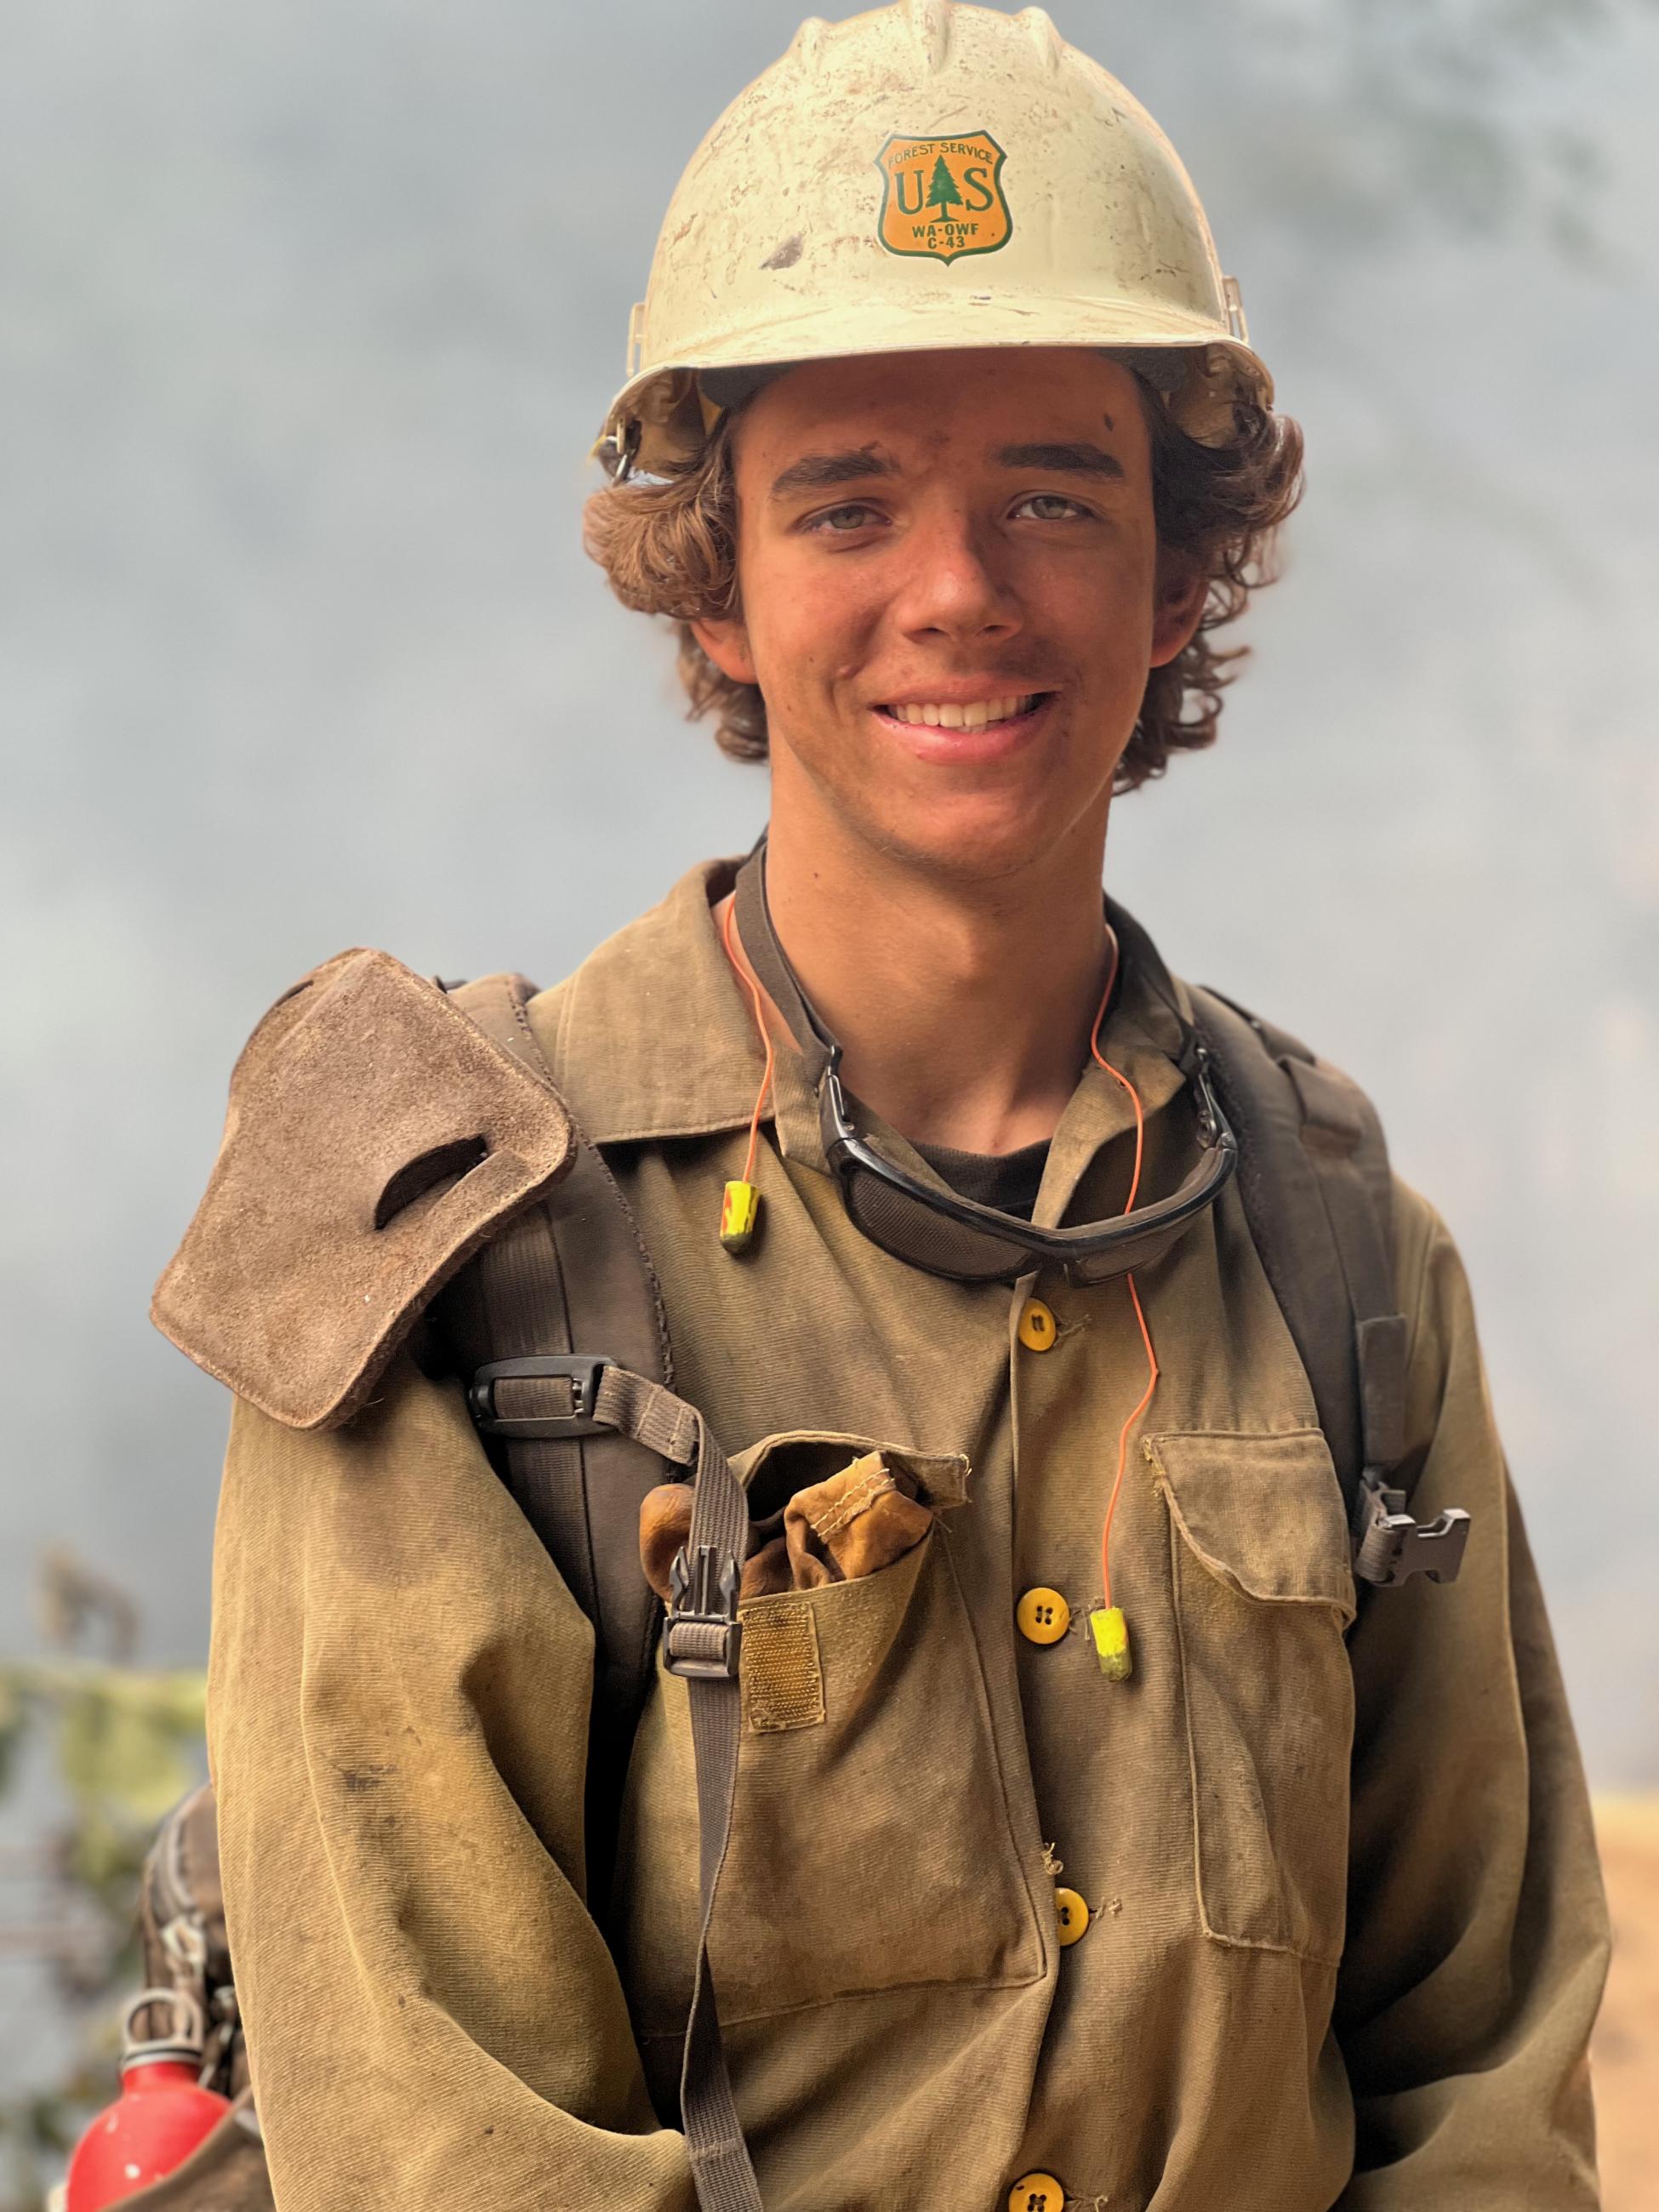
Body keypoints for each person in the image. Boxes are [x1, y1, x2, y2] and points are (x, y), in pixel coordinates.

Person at [165, 5, 1610, 2208]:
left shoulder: (1337, 1248)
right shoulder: (461, 1238)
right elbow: (445, 2147)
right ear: (718, 581)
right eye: (849, 501)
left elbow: (1480, 2090)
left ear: (1181, 570)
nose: (957, 590)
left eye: (1057, 493)